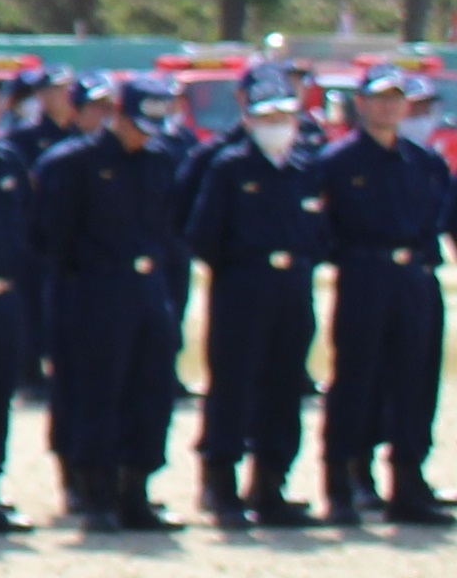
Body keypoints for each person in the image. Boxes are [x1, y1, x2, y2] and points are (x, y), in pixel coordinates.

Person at [27, 74, 191, 534]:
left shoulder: (161, 160)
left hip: (148, 290)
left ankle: (135, 491)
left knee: (151, 390)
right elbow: (49, 236)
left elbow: (170, 227)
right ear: (117, 114)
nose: (145, 135)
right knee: (97, 391)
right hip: (94, 291)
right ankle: (94, 492)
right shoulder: (73, 162)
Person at [308, 67, 450, 525]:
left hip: (415, 276)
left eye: (396, 99)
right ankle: (343, 481)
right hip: (365, 274)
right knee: (356, 379)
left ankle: (408, 482)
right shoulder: (338, 161)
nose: (388, 107)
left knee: (416, 381)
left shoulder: (424, 162)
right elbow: (318, 224)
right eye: (379, 99)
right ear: (362, 104)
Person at [188, 74, 325, 528]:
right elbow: (204, 234)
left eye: (285, 117)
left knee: (285, 386)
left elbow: (323, 232)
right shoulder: (229, 168)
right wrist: (241, 267)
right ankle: (221, 486)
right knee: (233, 384)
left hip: (293, 289)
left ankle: (270, 485)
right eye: (267, 117)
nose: (277, 125)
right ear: (248, 119)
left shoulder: (306, 169)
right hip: (243, 287)